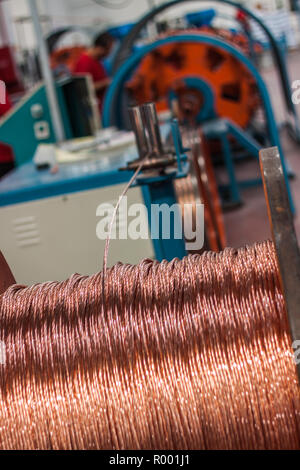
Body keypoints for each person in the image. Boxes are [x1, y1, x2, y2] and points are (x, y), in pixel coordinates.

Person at [74, 32, 113, 112]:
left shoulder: (97, 60)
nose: (109, 53)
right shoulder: (84, 62)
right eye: (108, 50)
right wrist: (105, 83)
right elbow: (83, 88)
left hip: (103, 108)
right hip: (94, 112)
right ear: (100, 48)